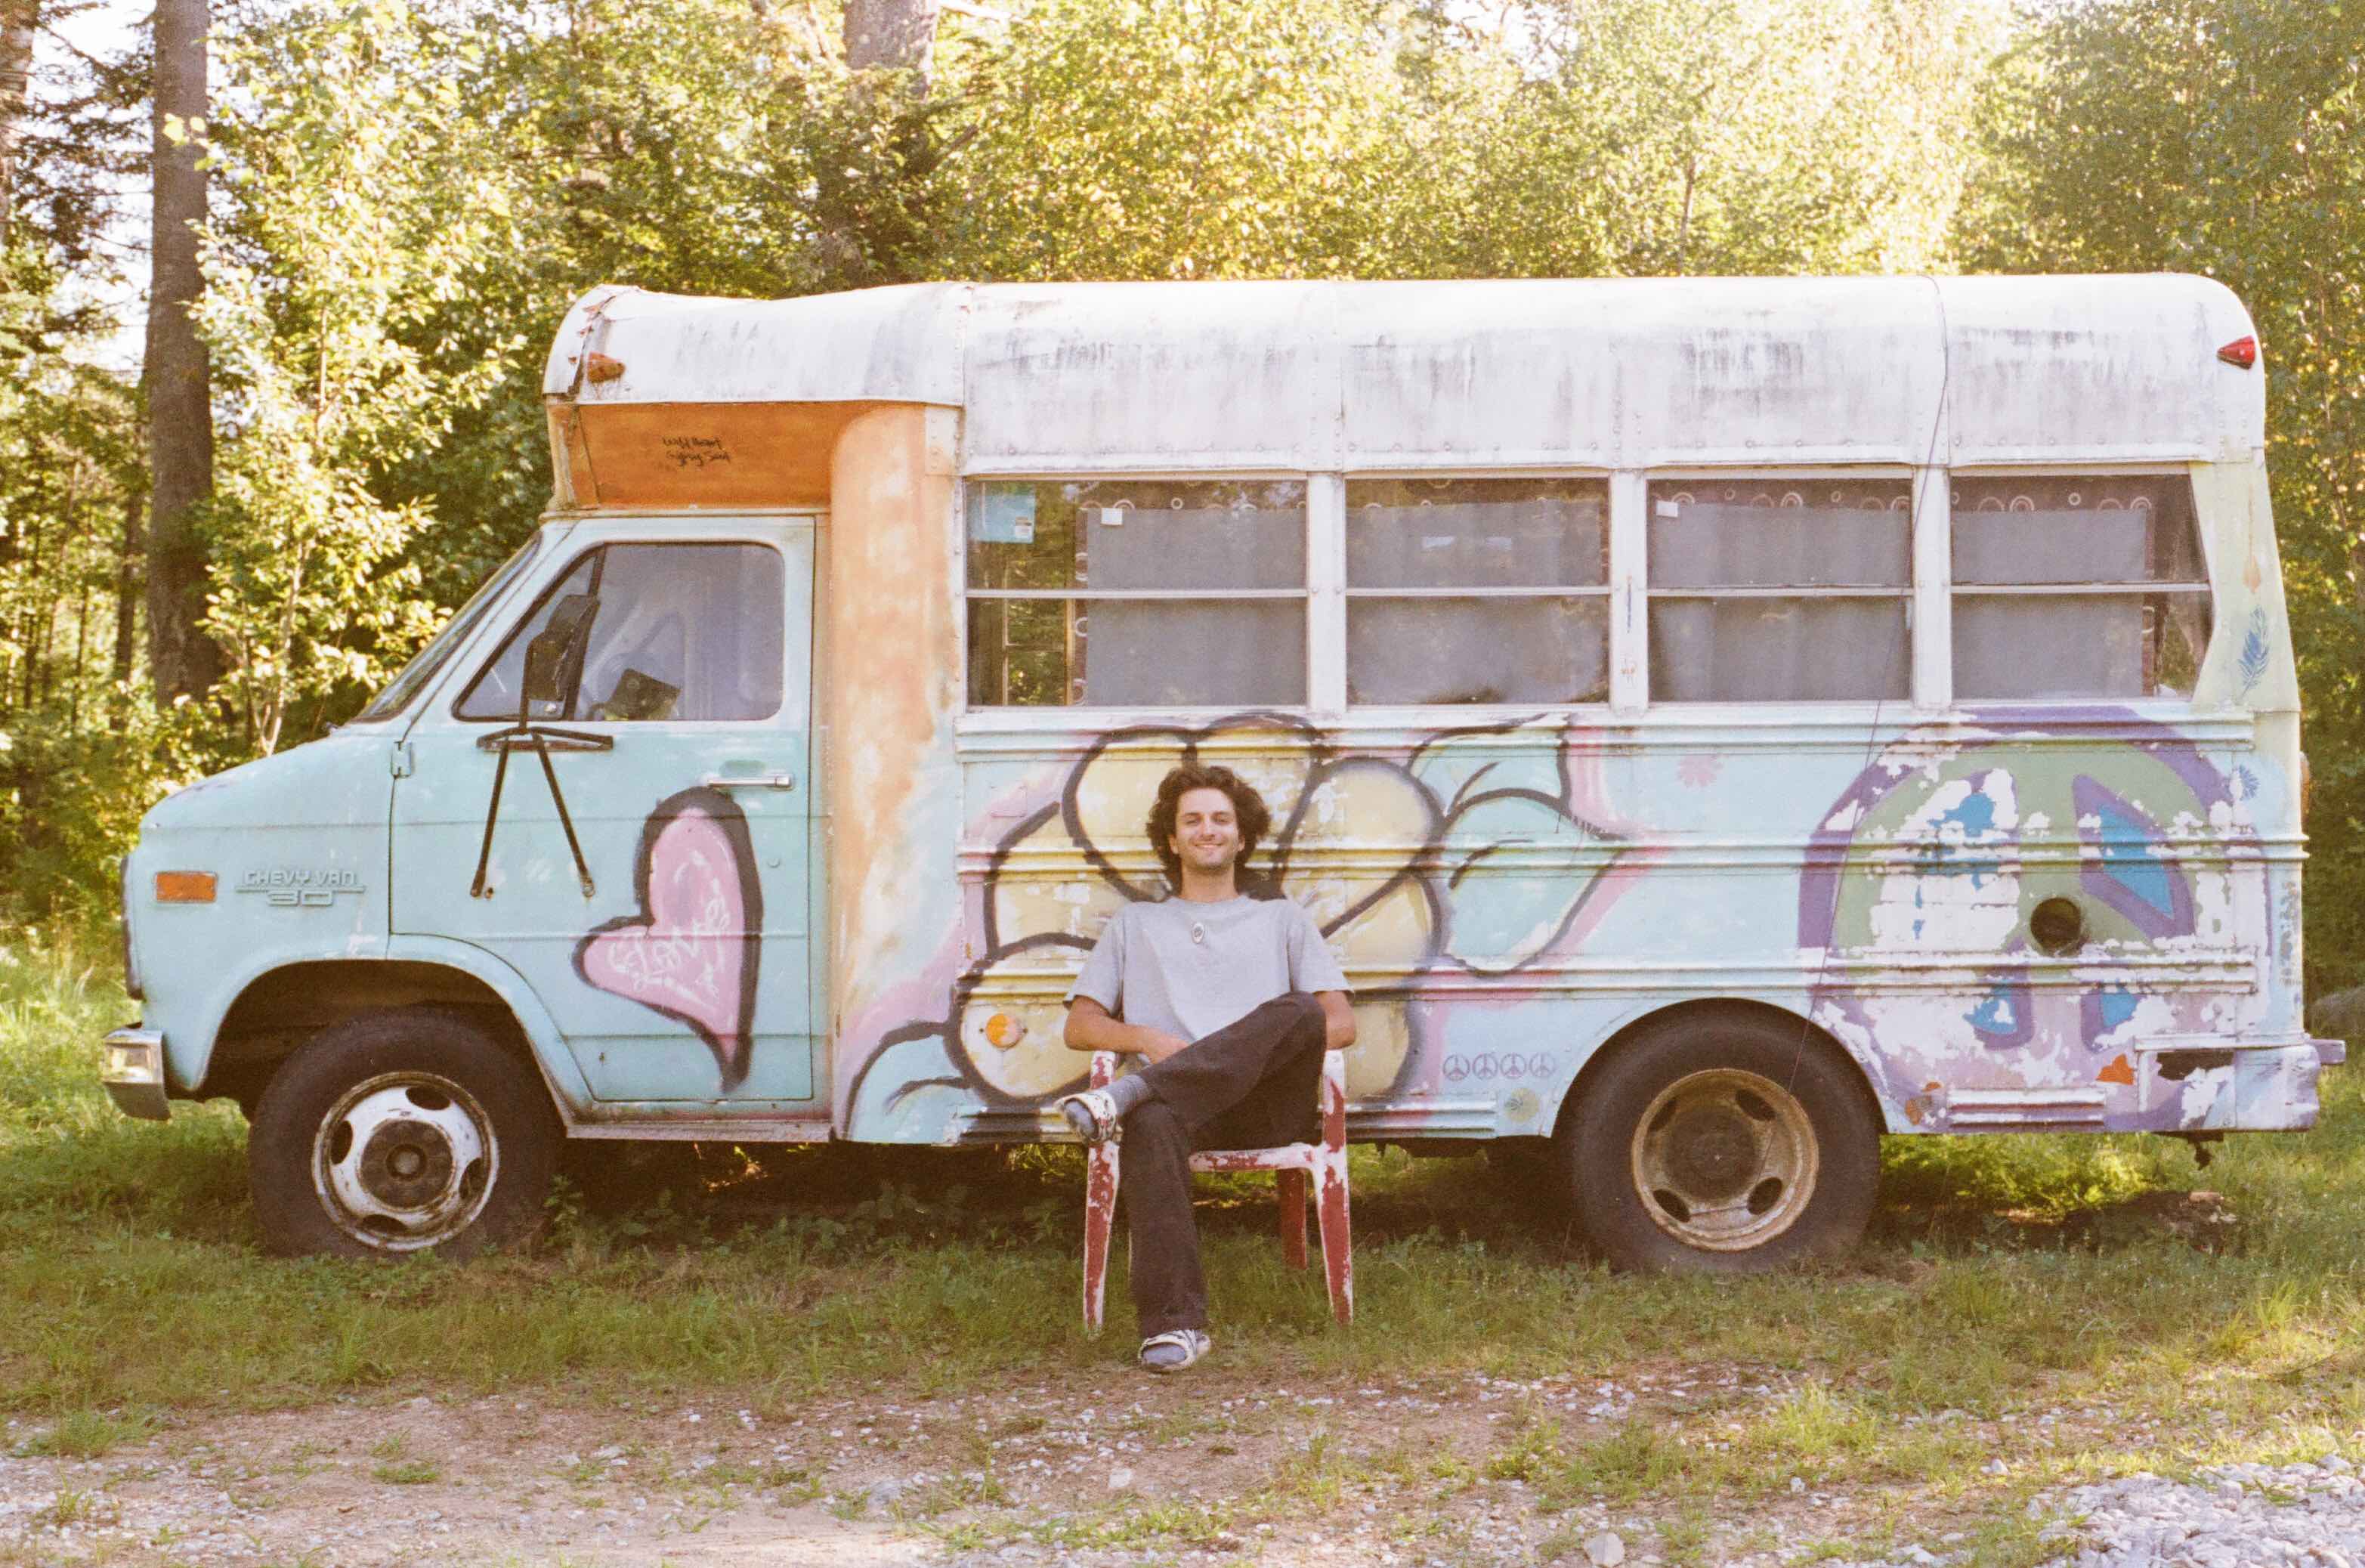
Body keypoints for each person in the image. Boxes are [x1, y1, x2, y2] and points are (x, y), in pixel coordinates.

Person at [1057, 763, 1356, 1373]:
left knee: (1300, 1009)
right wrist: (1142, 1035)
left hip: (1265, 1107)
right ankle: (1176, 1327)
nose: (1207, 829)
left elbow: (1340, 1023)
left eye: (1221, 819)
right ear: (1171, 839)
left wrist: (1168, 1068)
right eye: (1191, 820)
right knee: (1151, 1121)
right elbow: (1080, 1025)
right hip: (1182, 1114)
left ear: (1242, 837)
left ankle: (1131, 1090)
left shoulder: (1282, 919)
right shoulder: (1136, 924)